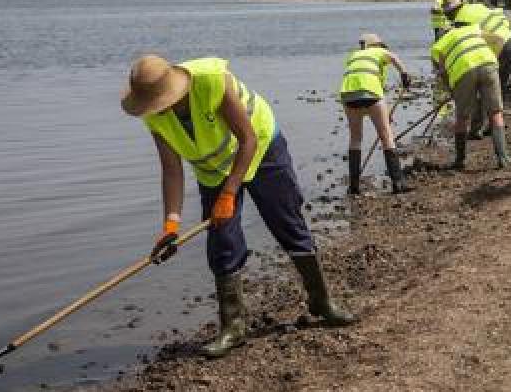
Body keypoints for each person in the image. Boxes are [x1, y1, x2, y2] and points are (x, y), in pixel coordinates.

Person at [121, 55, 356, 359]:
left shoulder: (210, 82)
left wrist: (230, 193)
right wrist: (171, 225)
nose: (157, 108)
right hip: (215, 170)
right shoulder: (152, 115)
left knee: (287, 224)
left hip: (261, 147)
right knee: (222, 241)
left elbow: (247, 140)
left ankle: (322, 302)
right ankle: (234, 326)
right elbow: (171, 169)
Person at [430, 23, 511, 170]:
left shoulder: (439, 45)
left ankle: (460, 160)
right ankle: (503, 157)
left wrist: (451, 90)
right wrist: (493, 56)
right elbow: (499, 39)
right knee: (495, 113)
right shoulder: (472, 29)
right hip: (488, 64)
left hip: (463, 72)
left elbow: (442, 72)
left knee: (462, 117)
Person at [340, 33, 411, 195]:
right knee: (386, 135)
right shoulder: (378, 52)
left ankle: (354, 187)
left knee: (355, 138)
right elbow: (394, 58)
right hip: (371, 94)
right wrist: (404, 74)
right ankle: (398, 183)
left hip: (348, 95)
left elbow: (363, 77)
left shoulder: (353, 55)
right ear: (377, 45)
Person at [445, 0, 511, 136]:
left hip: (499, 47)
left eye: (448, 14)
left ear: (453, 11)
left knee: (480, 88)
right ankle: (495, 124)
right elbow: (503, 17)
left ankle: (477, 127)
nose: (449, 17)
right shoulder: (477, 7)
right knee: (498, 87)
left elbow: (466, 46)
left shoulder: (461, 20)